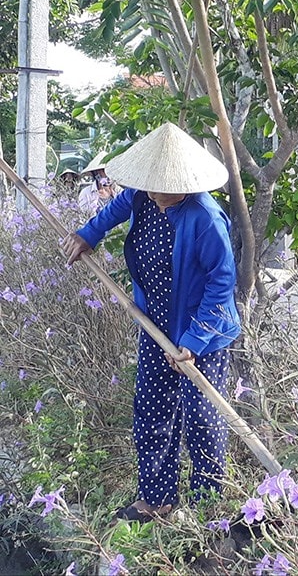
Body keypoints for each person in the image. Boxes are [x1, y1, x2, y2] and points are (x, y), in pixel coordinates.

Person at [61, 122, 240, 521]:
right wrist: (89, 233)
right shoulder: (143, 197)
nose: (153, 189)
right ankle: (157, 497)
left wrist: (194, 340)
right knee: (152, 409)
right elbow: (115, 208)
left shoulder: (205, 218)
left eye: (162, 182)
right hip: (156, 322)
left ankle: (207, 507)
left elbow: (222, 282)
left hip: (201, 334)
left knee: (200, 417)